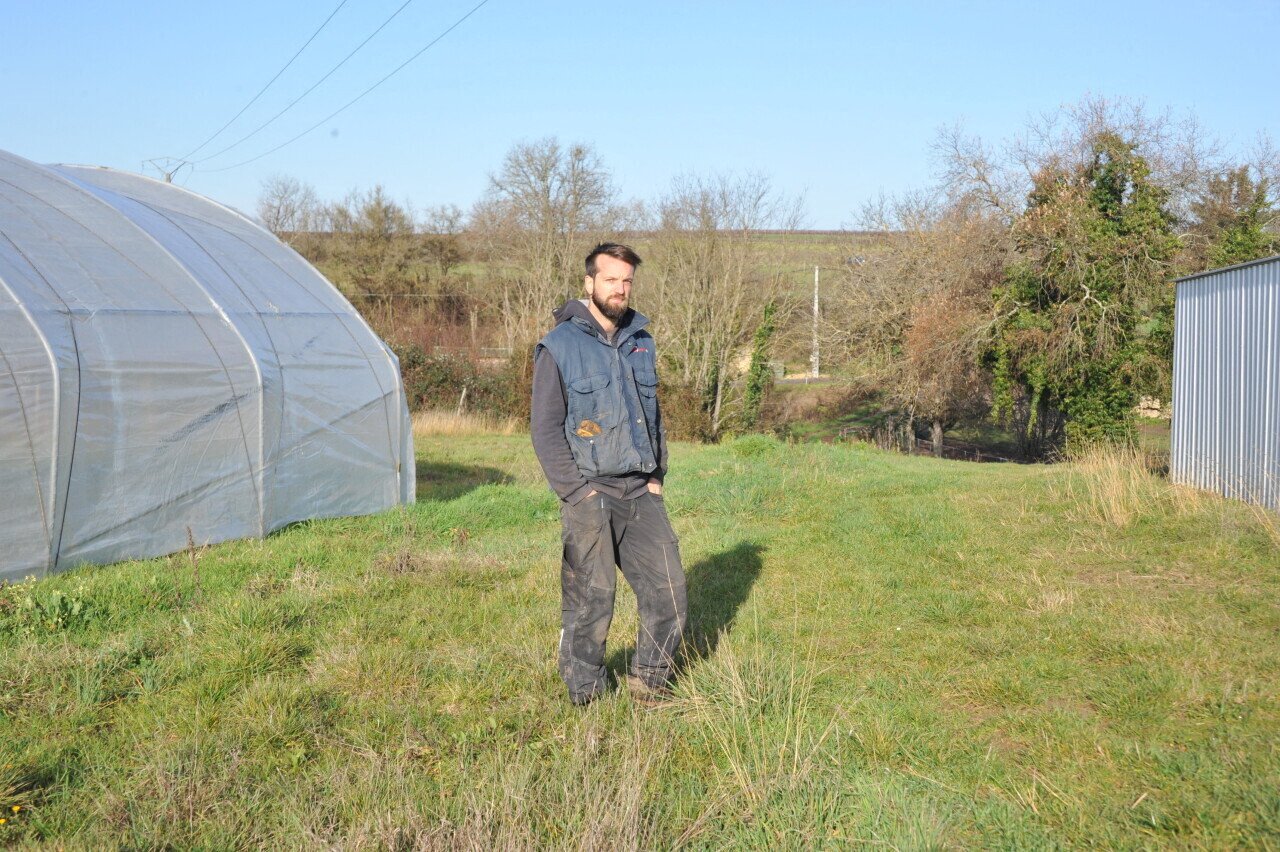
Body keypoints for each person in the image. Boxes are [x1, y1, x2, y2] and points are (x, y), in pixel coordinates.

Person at [531, 242, 687, 707]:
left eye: (627, 281)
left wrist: (656, 475)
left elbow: (652, 415)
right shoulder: (559, 346)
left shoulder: (641, 340)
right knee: (592, 600)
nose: (620, 289)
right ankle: (586, 692)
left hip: (640, 489)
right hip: (590, 490)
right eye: (611, 279)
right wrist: (576, 492)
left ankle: (650, 681)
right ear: (590, 283)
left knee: (669, 591)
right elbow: (544, 428)